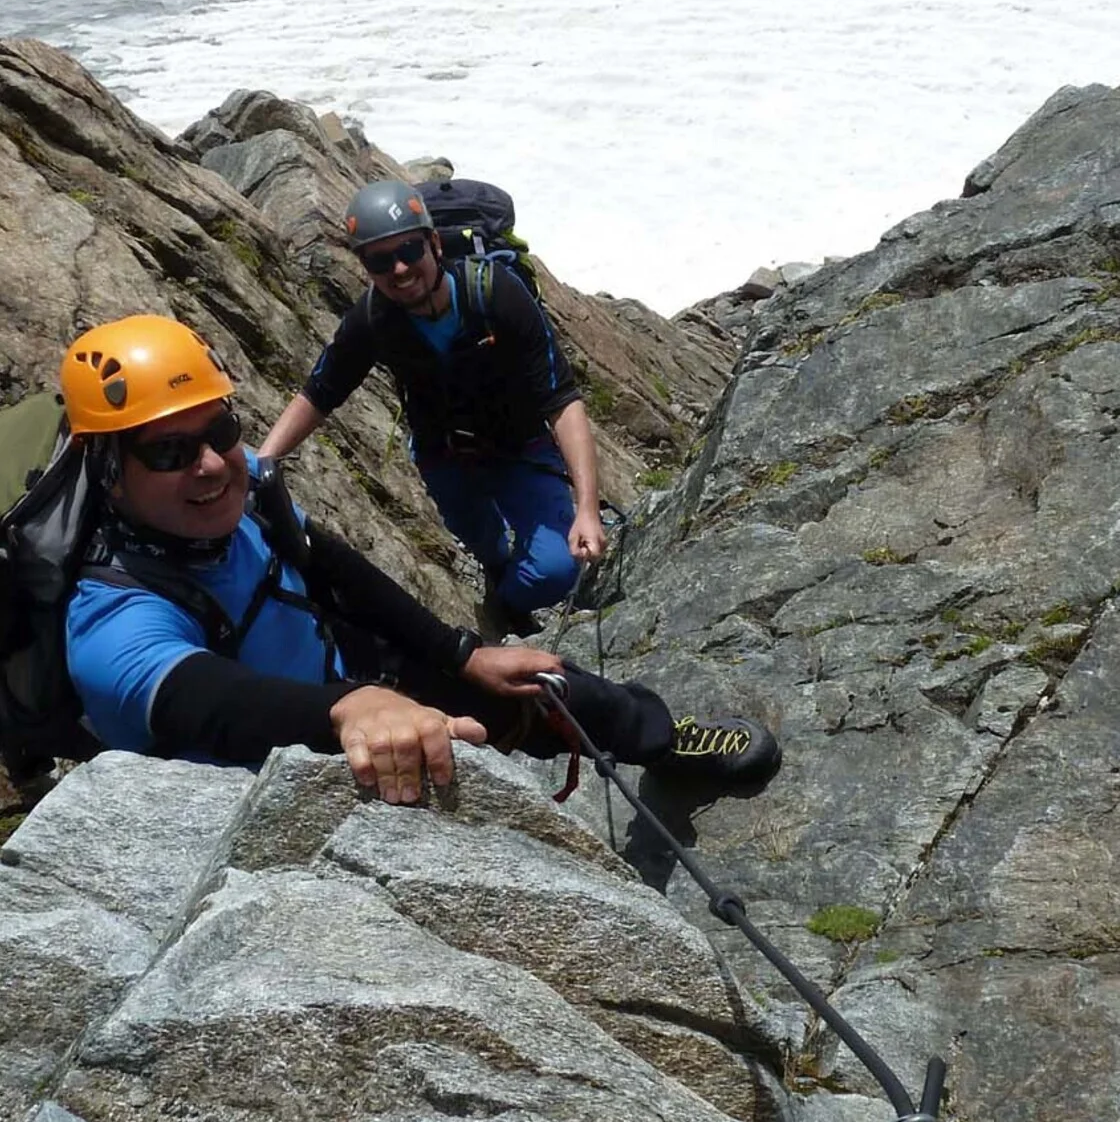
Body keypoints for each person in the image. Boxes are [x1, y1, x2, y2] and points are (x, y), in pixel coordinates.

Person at [61, 314, 781, 803]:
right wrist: (355, 708)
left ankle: (662, 739)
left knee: (537, 680)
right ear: (108, 466)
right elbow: (209, 700)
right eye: (169, 451)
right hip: (264, 783)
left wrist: (463, 654)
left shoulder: (241, 483)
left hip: (345, 686)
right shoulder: (110, 618)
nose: (214, 464)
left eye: (219, 429)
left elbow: (329, 563)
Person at [259, 178, 604, 635]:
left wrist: (587, 509)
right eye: (380, 260)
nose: (399, 269)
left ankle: (503, 604)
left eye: (409, 251)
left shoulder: (494, 294)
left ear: (433, 244)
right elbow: (321, 392)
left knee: (555, 571)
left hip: (522, 449)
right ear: (365, 266)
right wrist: (261, 462)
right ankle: (498, 572)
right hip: (446, 459)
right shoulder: (373, 319)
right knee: (486, 545)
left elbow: (562, 400)